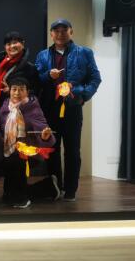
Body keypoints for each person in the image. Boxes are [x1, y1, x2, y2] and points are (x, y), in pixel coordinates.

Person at [35, 19, 102, 201]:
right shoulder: (42, 55)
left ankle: (70, 190)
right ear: (51, 34)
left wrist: (82, 95)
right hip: (49, 109)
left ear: (71, 32)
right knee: (52, 149)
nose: (60, 34)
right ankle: (55, 187)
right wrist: (48, 76)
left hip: (72, 108)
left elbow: (95, 78)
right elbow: (37, 80)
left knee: (72, 151)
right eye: (56, 31)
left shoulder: (84, 52)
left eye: (64, 30)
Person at [0, 77, 58, 209]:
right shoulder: (5, 106)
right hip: (8, 150)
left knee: (15, 161)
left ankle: (21, 199)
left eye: (21, 90)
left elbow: (44, 130)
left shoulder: (33, 108)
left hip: (29, 153)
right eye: (14, 89)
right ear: (9, 91)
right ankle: (48, 187)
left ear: (27, 92)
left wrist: (44, 136)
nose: (17, 93)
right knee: (8, 195)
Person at [0, 31, 39, 121]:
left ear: (22, 44)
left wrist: (12, 91)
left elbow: (34, 93)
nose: (12, 46)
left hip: (15, 116)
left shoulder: (30, 68)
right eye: (8, 44)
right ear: (5, 47)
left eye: (15, 42)